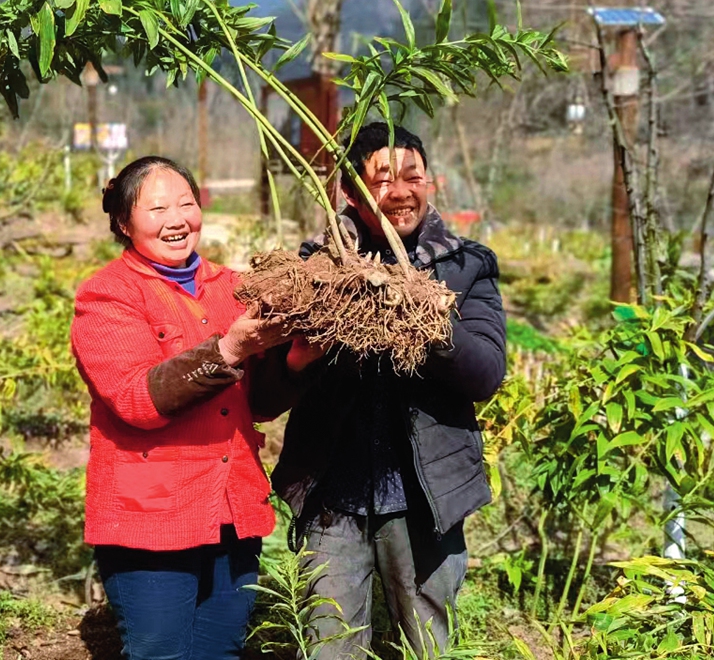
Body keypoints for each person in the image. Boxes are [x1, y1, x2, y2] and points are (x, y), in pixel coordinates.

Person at [268, 123, 507, 658]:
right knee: (329, 643)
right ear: (350, 192)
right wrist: (298, 358)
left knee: (426, 643)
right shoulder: (318, 268)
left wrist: (428, 317)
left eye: (413, 176)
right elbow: (275, 382)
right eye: (381, 179)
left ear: (431, 183)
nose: (401, 191)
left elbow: (487, 373)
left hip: (426, 499)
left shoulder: (465, 266)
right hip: (332, 492)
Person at [70, 155, 306, 660]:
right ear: (123, 222)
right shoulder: (107, 297)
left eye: (186, 204)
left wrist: (296, 363)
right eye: (156, 208)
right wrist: (229, 350)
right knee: (161, 653)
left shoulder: (234, 287)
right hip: (150, 519)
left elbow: (258, 405)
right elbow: (137, 399)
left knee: (220, 650)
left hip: (232, 508)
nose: (176, 219)